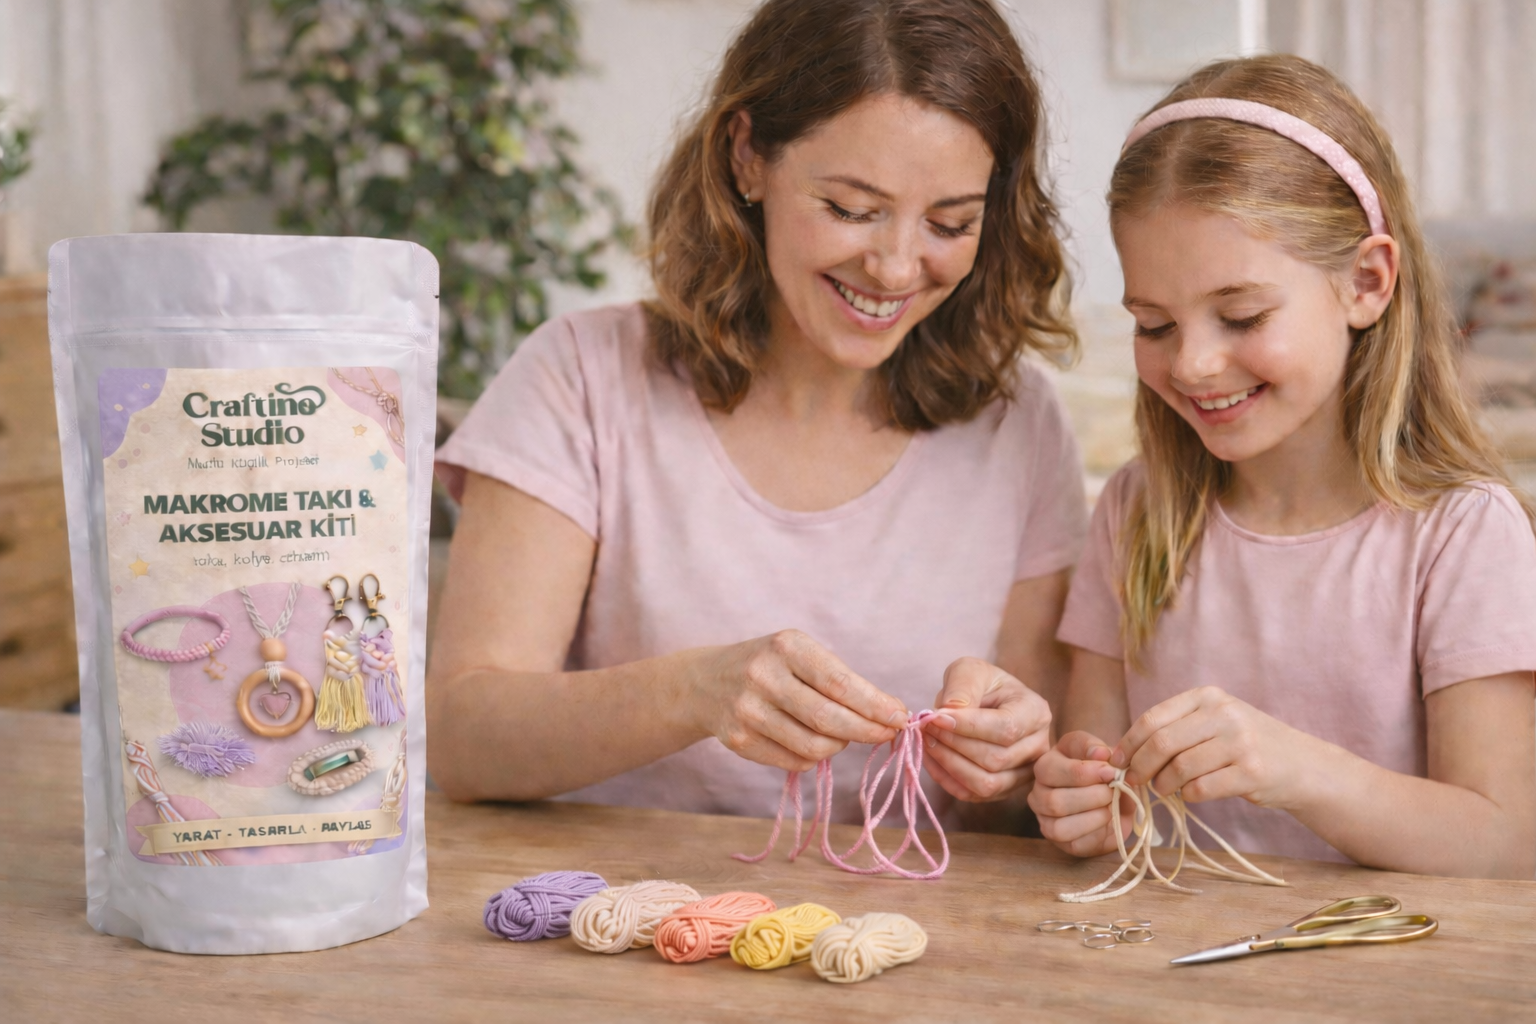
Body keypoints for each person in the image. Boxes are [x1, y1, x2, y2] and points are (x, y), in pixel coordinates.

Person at [428, 0, 1088, 827]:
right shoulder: (582, 378)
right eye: (851, 209)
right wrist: (690, 694)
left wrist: (1016, 762)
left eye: (950, 222)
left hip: (908, 936)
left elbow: (1035, 782)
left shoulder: (1016, 421)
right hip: (625, 925)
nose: (893, 266)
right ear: (747, 158)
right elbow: (462, 738)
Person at [1029, 55, 1536, 877]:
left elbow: (1508, 847)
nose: (1192, 364)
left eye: (1241, 314)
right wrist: (1077, 803)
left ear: (1366, 283)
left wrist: (1295, 769)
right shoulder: (1135, 509)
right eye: (1154, 325)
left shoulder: (1463, 534)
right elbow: (1100, 784)